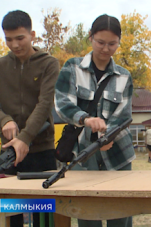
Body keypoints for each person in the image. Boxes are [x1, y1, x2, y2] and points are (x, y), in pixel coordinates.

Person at [55, 14, 134, 227]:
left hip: (117, 155)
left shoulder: (124, 76)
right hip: (83, 153)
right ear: (90, 38)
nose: (106, 49)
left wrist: (108, 135)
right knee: (88, 216)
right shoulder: (72, 68)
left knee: (121, 214)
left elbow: (124, 115)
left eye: (112, 43)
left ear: (118, 42)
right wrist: (86, 119)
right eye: (100, 42)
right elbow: (62, 104)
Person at [0, 10, 60, 227]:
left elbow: (45, 104)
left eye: (20, 38)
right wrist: (4, 120)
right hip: (9, 154)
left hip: (42, 152)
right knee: (10, 215)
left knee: (43, 216)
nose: (14, 45)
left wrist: (24, 138)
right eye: (8, 39)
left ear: (32, 34)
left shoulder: (49, 64)